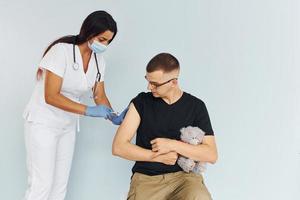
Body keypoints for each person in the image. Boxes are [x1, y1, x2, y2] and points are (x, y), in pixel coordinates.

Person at [23, 11, 127, 200]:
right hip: (43, 123)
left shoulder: (99, 61)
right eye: (101, 39)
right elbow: (51, 96)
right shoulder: (61, 51)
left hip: (67, 126)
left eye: (107, 42)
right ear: (89, 32)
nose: (103, 45)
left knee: (60, 186)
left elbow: (99, 95)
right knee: (41, 185)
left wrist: (113, 115)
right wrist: (88, 110)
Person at [112, 53, 218, 200]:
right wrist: (156, 156)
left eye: (155, 84)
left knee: (200, 197)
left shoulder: (196, 106)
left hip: (184, 179)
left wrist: (172, 145)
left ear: (173, 82)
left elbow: (211, 154)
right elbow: (118, 147)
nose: (149, 87)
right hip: (147, 178)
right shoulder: (141, 102)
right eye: (148, 81)